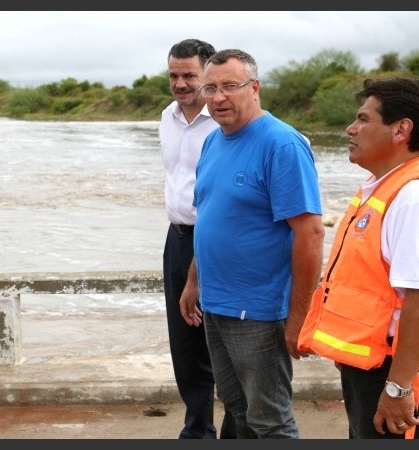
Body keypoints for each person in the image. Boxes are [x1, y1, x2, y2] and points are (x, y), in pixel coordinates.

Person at [298, 77, 419, 439]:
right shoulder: (384, 186)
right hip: (377, 364)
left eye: (363, 119)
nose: (351, 128)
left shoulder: (417, 198)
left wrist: (398, 387)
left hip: (403, 373)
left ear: (401, 130)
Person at [179, 49, 325, 438]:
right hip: (216, 303)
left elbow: (310, 233)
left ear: (255, 88)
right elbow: (210, 218)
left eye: (230, 86)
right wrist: (194, 281)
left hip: (259, 310)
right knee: (238, 410)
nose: (218, 97)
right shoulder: (213, 141)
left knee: (270, 420)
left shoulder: (282, 144)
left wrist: (300, 317)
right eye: (210, 88)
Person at [158, 38, 235, 439]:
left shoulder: (225, 121)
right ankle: (198, 431)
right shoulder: (167, 117)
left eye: (189, 75)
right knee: (185, 345)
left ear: (207, 75)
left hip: (216, 240)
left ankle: (236, 432)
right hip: (176, 238)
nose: (180, 84)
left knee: (226, 342)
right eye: (174, 75)